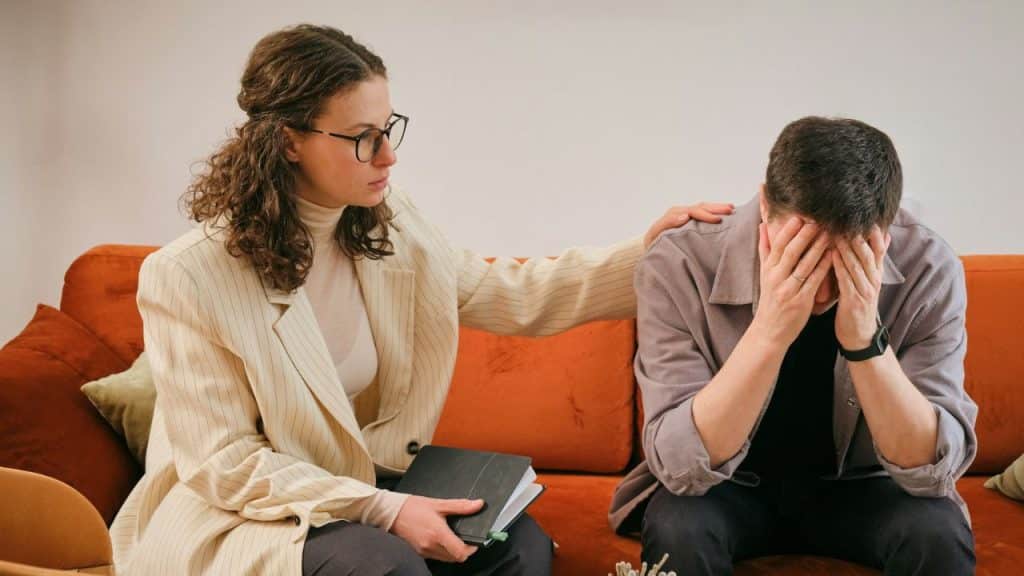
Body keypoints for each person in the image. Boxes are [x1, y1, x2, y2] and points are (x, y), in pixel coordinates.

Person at [109, 24, 733, 575]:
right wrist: (383, 509)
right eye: (362, 138)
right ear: (288, 141)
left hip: (362, 487)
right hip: (246, 514)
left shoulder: (387, 221)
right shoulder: (188, 276)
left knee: (517, 547)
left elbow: (505, 292)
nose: (388, 155)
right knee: (383, 564)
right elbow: (226, 464)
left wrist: (652, 255)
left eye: (388, 129)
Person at [609, 116, 978, 575]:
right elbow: (680, 465)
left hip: (866, 485)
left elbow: (932, 470)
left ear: (884, 235)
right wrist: (770, 331)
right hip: (727, 487)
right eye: (801, 255)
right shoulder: (681, 262)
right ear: (766, 207)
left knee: (937, 533)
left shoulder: (929, 265)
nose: (819, 292)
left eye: (845, 265)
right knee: (679, 530)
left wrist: (865, 342)